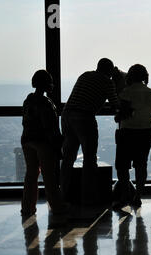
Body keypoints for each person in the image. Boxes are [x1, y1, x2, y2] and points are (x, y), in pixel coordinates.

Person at [60, 58, 121, 206]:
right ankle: (88, 197)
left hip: (67, 115)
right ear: (110, 71)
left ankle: (62, 195)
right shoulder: (107, 82)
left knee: (68, 157)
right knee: (89, 158)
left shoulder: (85, 75)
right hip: (85, 117)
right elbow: (116, 104)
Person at [21, 70, 69, 216]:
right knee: (50, 177)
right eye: (51, 82)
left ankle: (27, 208)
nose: (53, 85)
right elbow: (50, 128)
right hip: (43, 142)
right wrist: (59, 144)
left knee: (31, 174)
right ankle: (57, 207)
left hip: (27, 139)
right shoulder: (46, 103)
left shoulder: (28, 100)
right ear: (46, 84)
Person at [114, 64, 151, 207]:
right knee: (141, 166)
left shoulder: (125, 92)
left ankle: (124, 197)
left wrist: (117, 117)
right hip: (145, 132)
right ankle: (138, 196)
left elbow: (123, 113)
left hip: (127, 131)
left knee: (122, 166)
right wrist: (150, 126)